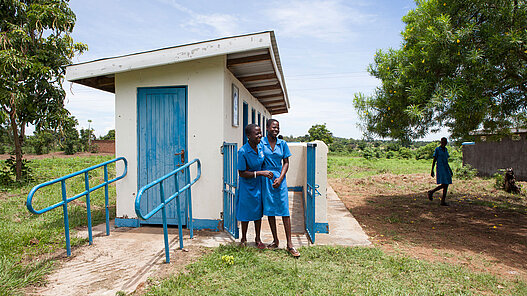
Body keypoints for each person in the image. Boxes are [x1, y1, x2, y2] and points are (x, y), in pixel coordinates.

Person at [260, 119, 300, 257]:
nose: (276, 130)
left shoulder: (282, 144)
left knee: (284, 210)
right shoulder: (261, 143)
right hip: (266, 179)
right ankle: (275, 240)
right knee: (270, 210)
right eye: (273, 127)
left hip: (280, 179)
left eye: (278, 128)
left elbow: (286, 162)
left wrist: (281, 178)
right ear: (267, 128)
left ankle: (290, 244)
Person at [236, 124, 273, 248]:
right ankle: (243, 239)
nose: (260, 136)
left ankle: (258, 238)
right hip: (247, 186)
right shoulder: (243, 151)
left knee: (258, 212)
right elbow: (242, 173)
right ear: (248, 136)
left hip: (259, 184)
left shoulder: (260, 147)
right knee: (245, 213)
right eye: (256, 134)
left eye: (260, 133)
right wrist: (260, 173)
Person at [427, 137, 453, 206]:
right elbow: (434, 160)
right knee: (445, 184)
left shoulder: (446, 150)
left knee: (446, 184)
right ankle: (432, 192)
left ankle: (442, 201)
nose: (444, 143)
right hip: (440, 168)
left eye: (445, 142)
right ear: (441, 142)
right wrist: (432, 170)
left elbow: (446, 161)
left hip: (446, 168)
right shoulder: (437, 149)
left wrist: (450, 170)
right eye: (443, 142)